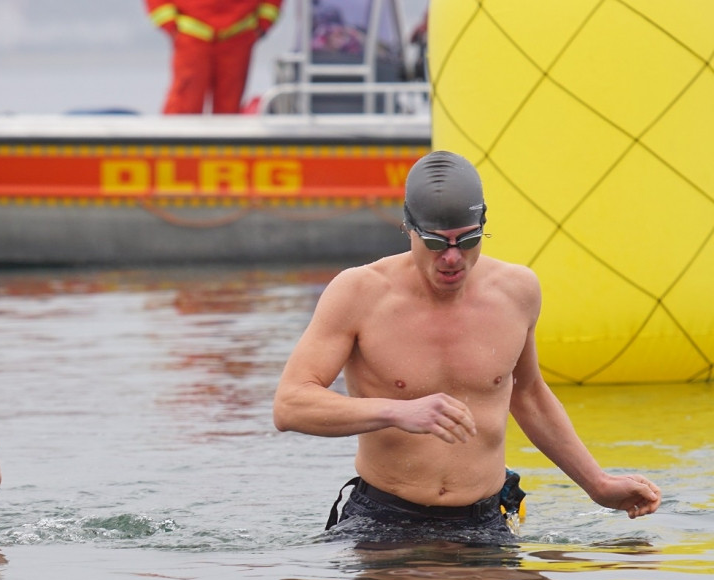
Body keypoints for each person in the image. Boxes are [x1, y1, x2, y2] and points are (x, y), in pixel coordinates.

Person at [272, 150, 661, 540]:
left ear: (483, 224)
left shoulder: (517, 290)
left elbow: (527, 394)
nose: (453, 258)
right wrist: (398, 411)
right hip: (385, 518)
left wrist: (597, 483)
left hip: (483, 521)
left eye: (468, 240)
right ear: (408, 227)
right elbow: (290, 405)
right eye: (437, 243)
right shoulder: (359, 292)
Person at [145, 0, 282, 114]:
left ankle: (227, 144)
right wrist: (171, 26)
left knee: (229, 107)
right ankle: (176, 143)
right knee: (186, 102)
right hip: (193, 35)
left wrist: (263, 23)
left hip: (238, 35)